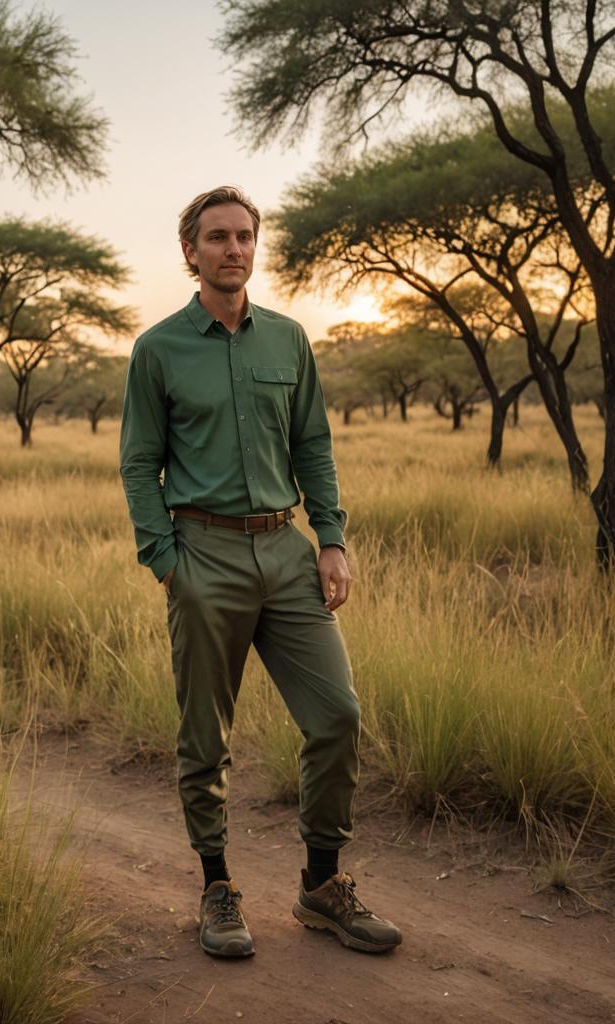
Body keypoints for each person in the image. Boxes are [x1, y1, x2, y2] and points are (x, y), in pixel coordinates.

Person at [118, 185, 402, 959]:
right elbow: (140, 463)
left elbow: (314, 446)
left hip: (287, 551)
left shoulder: (289, 340)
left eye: (244, 235)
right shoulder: (159, 350)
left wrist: (333, 539)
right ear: (191, 253)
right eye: (216, 237)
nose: (233, 248)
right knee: (205, 737)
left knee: (337, 715)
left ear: (255, 246)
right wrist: (167, 564)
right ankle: (216, 888)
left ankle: (321, 887)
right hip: (202, 553)